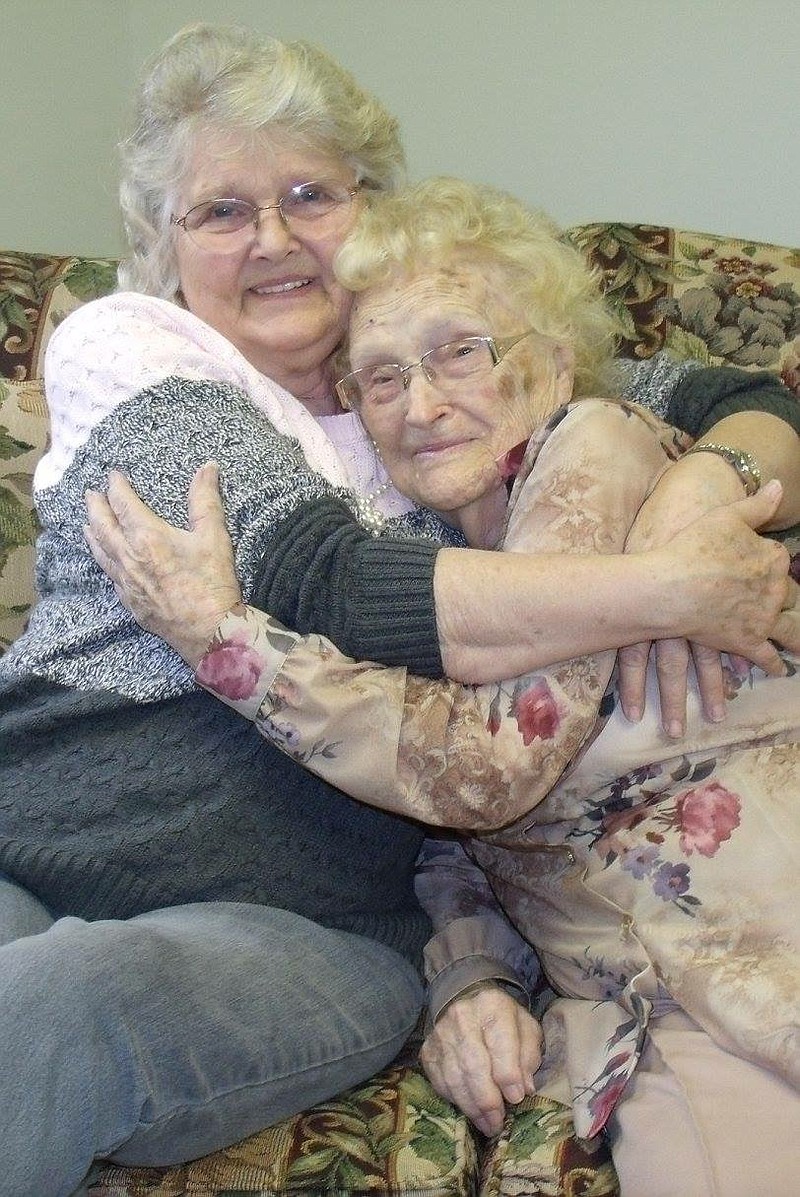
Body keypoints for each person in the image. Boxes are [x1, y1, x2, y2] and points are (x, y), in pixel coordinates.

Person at [0, 20, 796, 1196]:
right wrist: (667, 589)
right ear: (161, 249)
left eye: (309, 195)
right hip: (32, 842)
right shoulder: (140, 353)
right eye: (221, 211)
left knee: (63, 1007)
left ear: (367, 214)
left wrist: (702, 488)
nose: (271, 237)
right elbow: (329, 586)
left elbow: (734, 394)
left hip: (301, 930)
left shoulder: (447, 375)